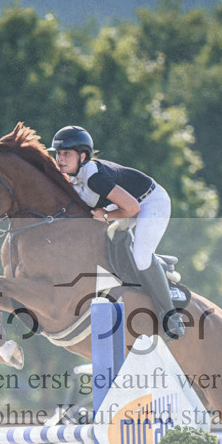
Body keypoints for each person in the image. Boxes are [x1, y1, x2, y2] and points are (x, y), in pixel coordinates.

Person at [49, 125, 184, 339]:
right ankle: (147, 270)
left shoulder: (95, 177)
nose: (60, 159)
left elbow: (132, 208)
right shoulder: (72, 176)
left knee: (141, 257)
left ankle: (171, 316)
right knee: (108, 239)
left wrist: (104, 216)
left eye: (67, 153)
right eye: (58, 153)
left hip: (150, 201)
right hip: (127, 204)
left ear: (83, 155)